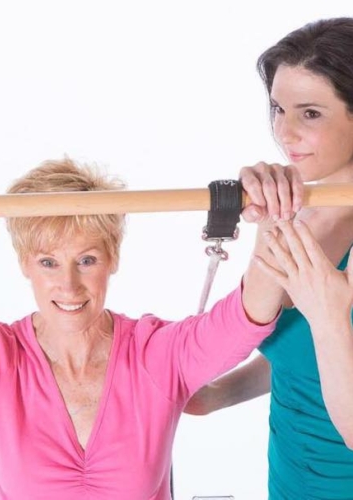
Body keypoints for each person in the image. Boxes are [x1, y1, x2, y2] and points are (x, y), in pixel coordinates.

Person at [0, 155, 295, 500]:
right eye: (48, 262)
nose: (68, 285)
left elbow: (243, 319)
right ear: (25, 265)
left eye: (87, 260)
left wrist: (273, 214)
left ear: (112, 259)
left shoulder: (156, 355)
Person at [184, 17, 353, 500]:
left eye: (311, 113)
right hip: (288, 485)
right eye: (279, 108)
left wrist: (329, 317)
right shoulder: (302, 217)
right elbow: (300, 360)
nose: (285, 132)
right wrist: (217, 396)